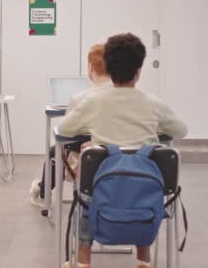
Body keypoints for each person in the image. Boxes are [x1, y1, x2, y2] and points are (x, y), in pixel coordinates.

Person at [58, 33, 187, 268]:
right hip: (145, 193)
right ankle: (143, 260)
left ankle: (84, 261)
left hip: (100, 190)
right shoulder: (153, 103)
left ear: (108, 68)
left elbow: (63, 129)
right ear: (138, 71)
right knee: (140, 187)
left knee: (86, 194)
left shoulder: (93, 103)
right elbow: (180, 130)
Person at [29, 44, 112, 206]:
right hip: (116, 155)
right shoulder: (122, 96)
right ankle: (41, 189)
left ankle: (42, 192)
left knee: (55, 151)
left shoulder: (81, 98)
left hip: (87, 154)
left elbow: (64, 132)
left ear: (90, 67)